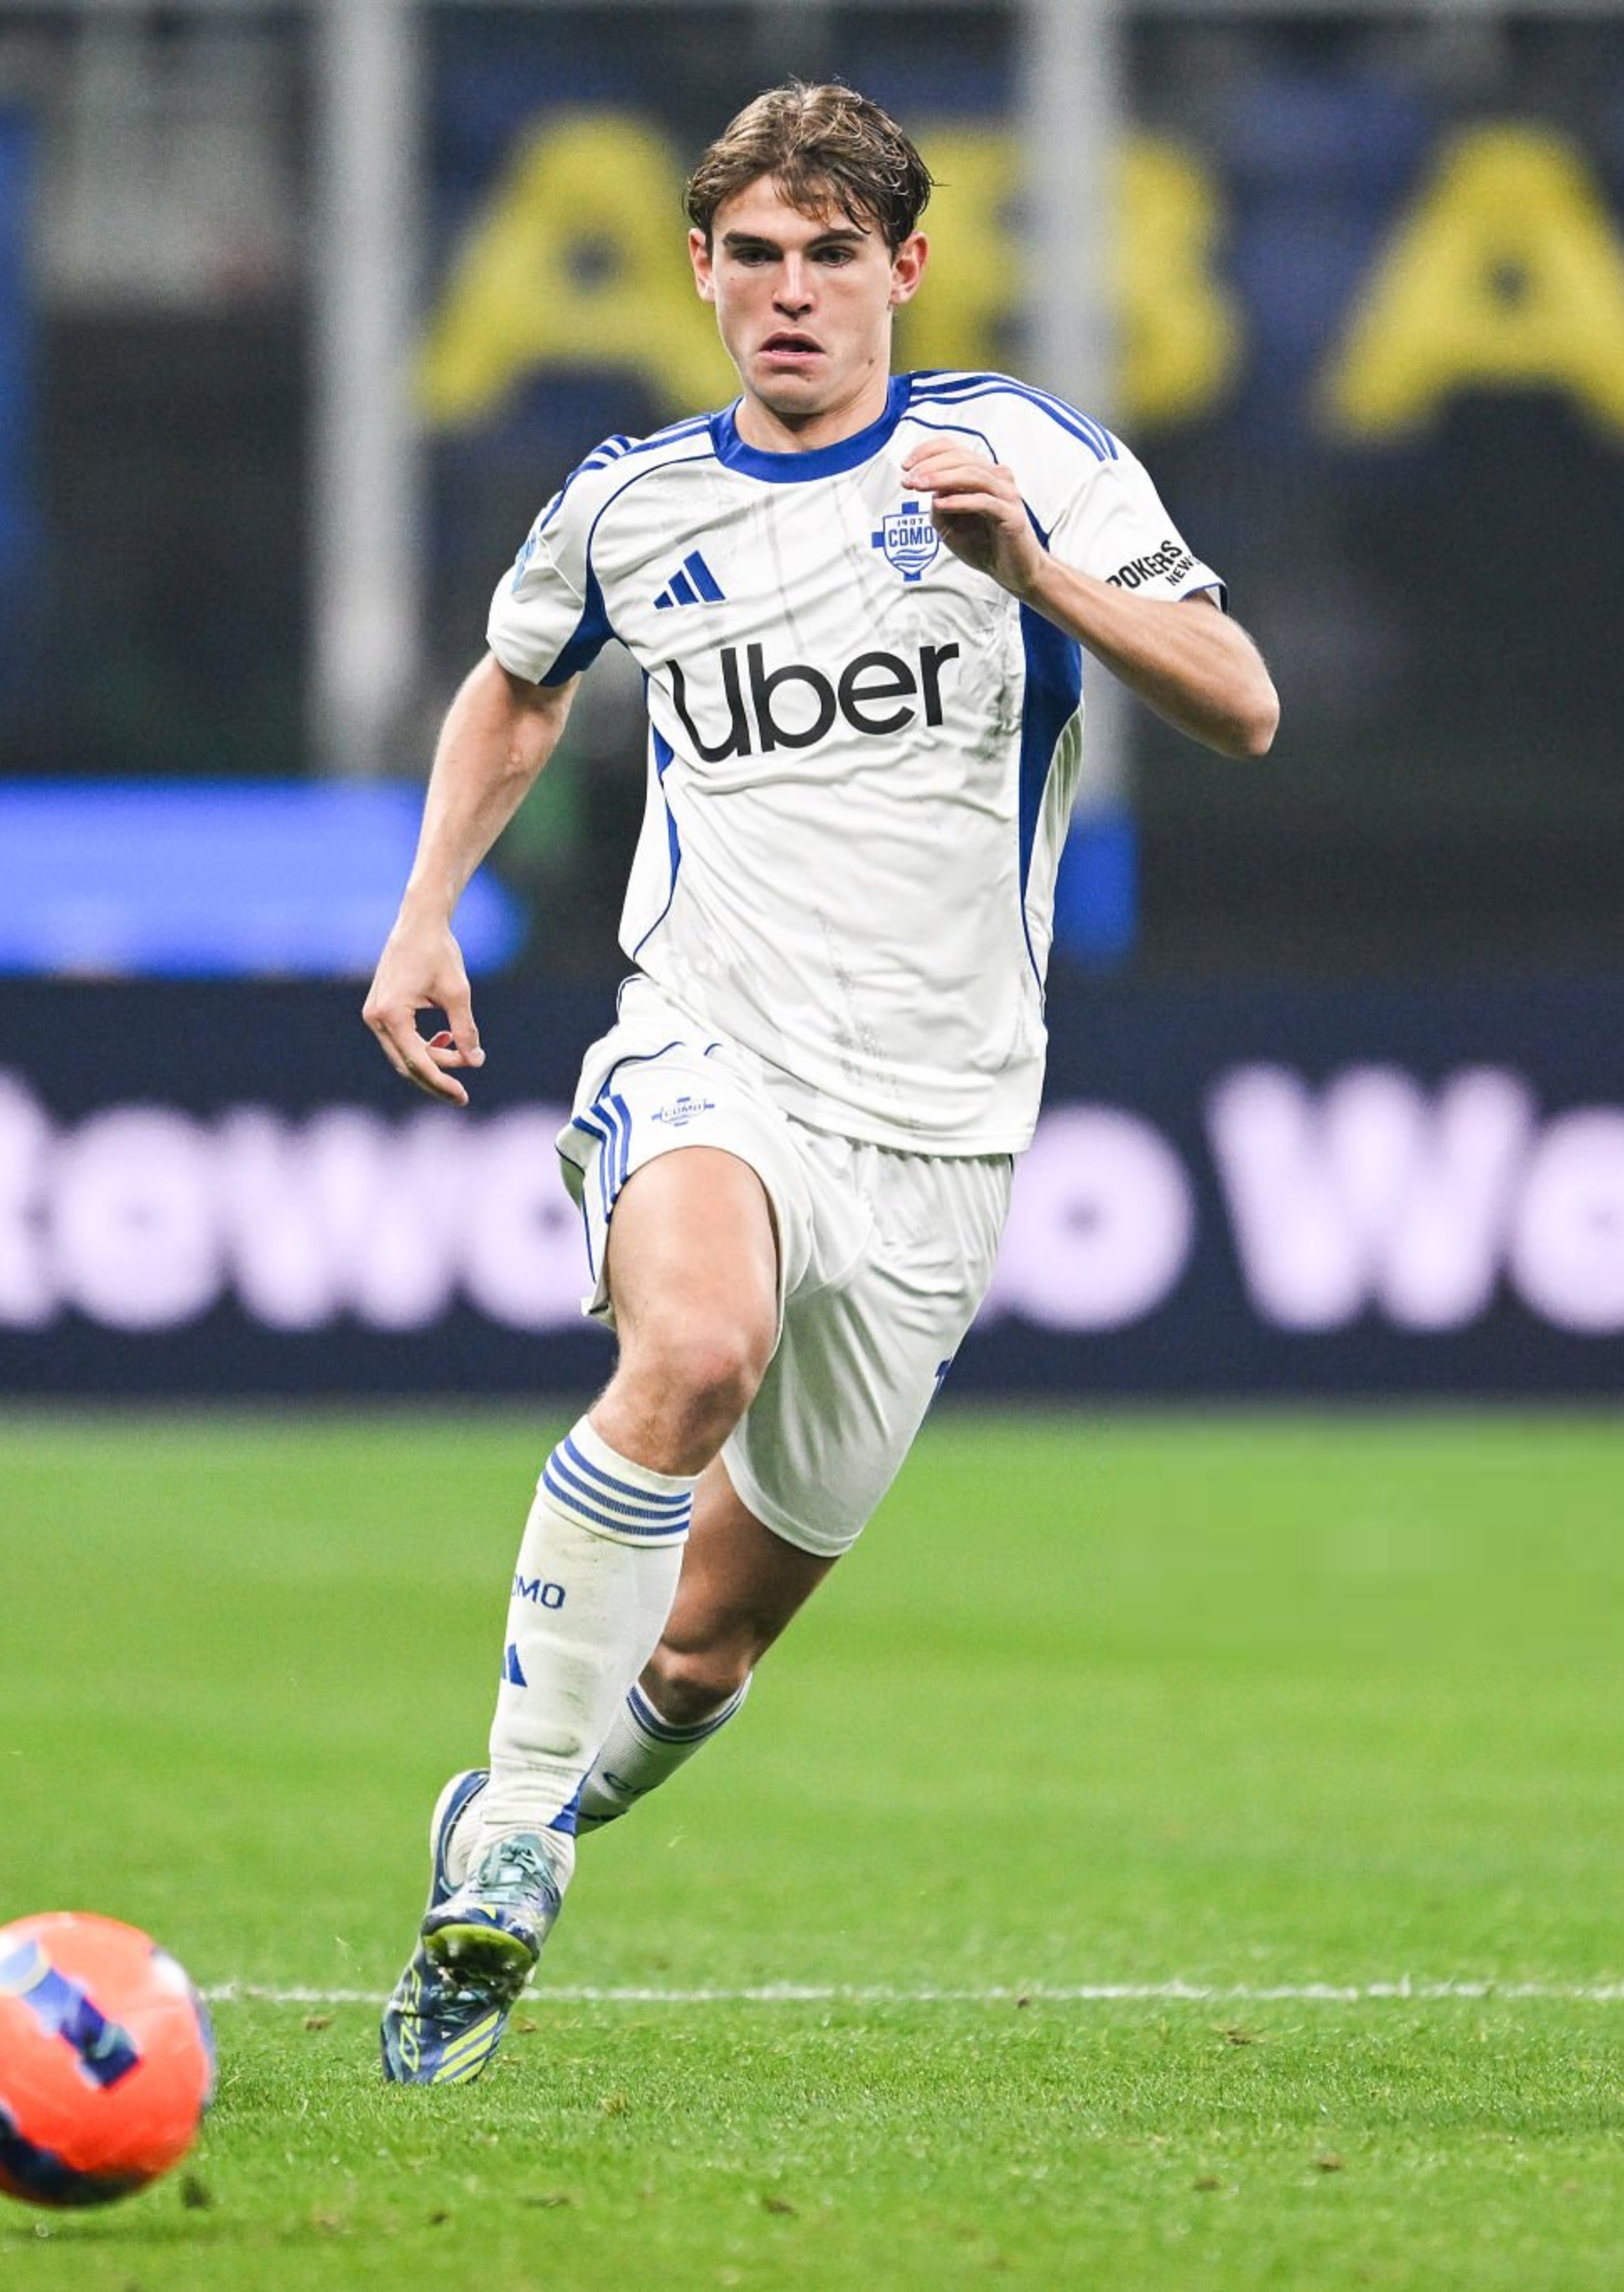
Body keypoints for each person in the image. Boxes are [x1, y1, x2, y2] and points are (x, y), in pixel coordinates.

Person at [359, 81, 1278, 2086]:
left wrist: (1032, 573)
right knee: (694, 1347)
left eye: (831, 257)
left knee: (705, 1649)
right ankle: (513, 1826)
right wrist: (424, 910)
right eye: (754, 257)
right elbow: (517, 678)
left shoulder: (1025, 457)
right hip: (715, 1043)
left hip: (945, 1123)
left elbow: (1240, 702)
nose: (790, 294)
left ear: (903, 269)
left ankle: (532, 1813)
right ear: (697, 270)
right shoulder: (627, 502)